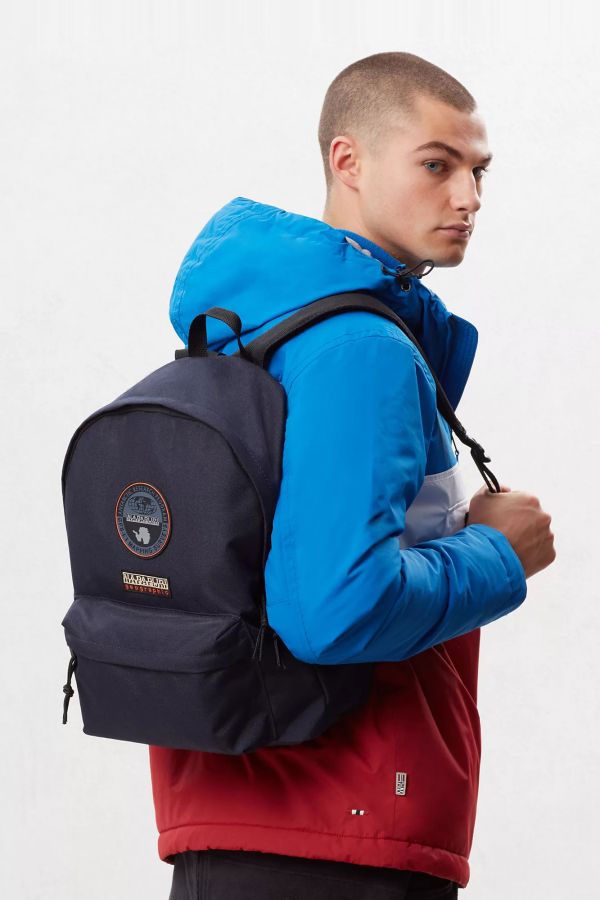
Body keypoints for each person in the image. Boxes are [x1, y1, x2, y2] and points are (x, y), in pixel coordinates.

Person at [157, 51, 556, 899]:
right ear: (349, 160)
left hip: (241, 812)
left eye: (479, 172)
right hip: (346, 830)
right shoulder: (356, 348)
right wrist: (499, 553)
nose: (469, 198)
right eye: (437, 165)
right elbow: (335, 611)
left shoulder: (250, 330)